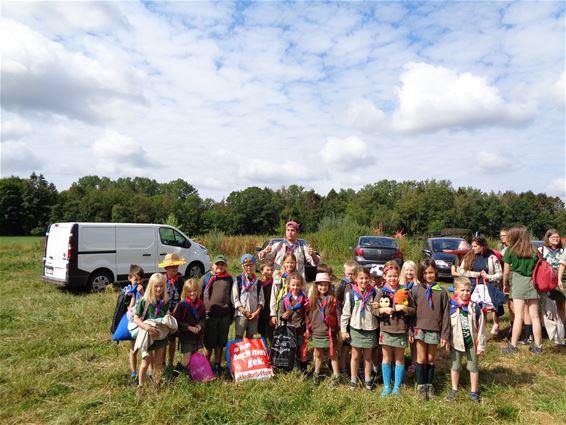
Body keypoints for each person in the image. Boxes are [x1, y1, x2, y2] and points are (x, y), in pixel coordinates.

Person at [410, 259, 450, 400]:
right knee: (421, 358)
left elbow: (446, 314)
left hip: (434, 329)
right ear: (421, 273)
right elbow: (411, 312)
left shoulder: (442, 292)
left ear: (436, 273)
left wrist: (445, 334)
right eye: (425, 273)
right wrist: (410, 330)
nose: (428, 275)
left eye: (431, 272)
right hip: (419, 328)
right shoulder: (415, 290)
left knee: (431, 358)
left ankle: (429, 385)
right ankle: (421, 386)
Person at [376, 261, 415, 397]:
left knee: (399, 359)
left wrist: (404, 308)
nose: (392, 278)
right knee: (386, 358)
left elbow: (413, 310)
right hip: (386, 330)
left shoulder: (404, 291)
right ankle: (387, 386)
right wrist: (381, 310)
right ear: (385, 277)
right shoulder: (381, 292)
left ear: (399, 276)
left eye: (395, 276)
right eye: (390, 276)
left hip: (400, 330)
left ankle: (397, 387)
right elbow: (373, 309)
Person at [502, 225, 543, 354]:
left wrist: (505, 284)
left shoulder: (510, 250)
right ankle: (538, 347)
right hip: (533, 283)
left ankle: (513, 346)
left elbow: (506, 272)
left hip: (518, 282)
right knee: (535, 316)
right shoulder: (534, 250)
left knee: (518, 316)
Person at [446, 277, 487, 403]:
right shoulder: (450, 306)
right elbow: (446, 326)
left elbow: (481, 327)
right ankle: (454, 389)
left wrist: (481, 345)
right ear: (456, 291)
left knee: (473, 367)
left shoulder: (475, 307)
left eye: (468, 290)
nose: (465, 293)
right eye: (462, 290)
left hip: (471, 343)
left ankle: (474, 391)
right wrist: (446, 341)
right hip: (456, 342)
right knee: (455, 366)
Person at [340, 267, 379, 391]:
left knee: (367, 357)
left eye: (366, 278)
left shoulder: (374, 293)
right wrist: (343, 330)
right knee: (355, 356)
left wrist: (378, 307)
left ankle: (367, 380)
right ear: (356, 279)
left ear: (370, 279)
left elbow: (378, 311)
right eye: (361, 278)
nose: (364, 281)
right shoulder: (350, 294)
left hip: (370, 328)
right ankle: (353, 379)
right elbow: (345, 314)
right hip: (355, 329)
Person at [457, 236, 503, 335]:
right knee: (472, 311)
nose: (473, 248)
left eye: (475, 246)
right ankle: (473, 331)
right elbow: (460, 271)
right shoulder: (469, 256)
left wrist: (488, 276)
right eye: (472, 246)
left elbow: (499, 274)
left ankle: (481, 333)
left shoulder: (492, 258)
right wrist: (473, 274)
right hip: (472, 288)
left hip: (488, 288)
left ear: (482, 246)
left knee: (483, 312)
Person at [200, 255, 234, 375]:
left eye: (222, 264)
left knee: (221, 341)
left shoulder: (229, 279)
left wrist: (231, 315)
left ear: (226, 266)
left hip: (224, 315)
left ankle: (217, 364)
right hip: (210, 316)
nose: (219, 267)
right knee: (209, 342)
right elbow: (199, 296)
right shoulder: (206, 278)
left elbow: (232, 297)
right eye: (217, 264)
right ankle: (205, 364)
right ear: (212, 266)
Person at [134, 273, 170, 387]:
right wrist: (147, 328)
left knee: (158, 363)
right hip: (148, 336)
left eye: (161, 286)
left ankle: (156, 385)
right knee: (145, 362)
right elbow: (136, 318)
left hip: (160, 335)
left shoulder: (165, 301)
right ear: (151, 286)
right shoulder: (145, 301)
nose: (159, 289)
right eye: (156, 286)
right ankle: (141, 386)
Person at [309, 272, 341, 387]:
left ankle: (336, 375)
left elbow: (338, 315)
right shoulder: (313, 299)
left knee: (333, 354)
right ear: (316, 286)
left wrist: (340, 329)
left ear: (329, 286)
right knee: (318, 354)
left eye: (325, 285)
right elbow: (309, 315)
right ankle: (316, 373)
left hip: (329, 332)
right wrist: (309, 328)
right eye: (320, 285)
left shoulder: (332, 299)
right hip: (317, 331)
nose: (323, 287)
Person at [159, 253, 187, 373]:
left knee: (172, 339)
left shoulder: (181, 280)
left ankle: (170, 361)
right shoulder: (161, 280)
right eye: (171, 266)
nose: (174, 268)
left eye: (176, 266)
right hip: (163, 314)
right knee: (164, 339)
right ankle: (162, 362)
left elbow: (183, 297)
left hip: (176, 314)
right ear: (166, 268)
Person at [172, 278, 205, 378]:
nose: (192, 293)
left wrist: (200, 325)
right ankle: (173, 377)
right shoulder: (182, 305)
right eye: (189, 291)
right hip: (186, 337)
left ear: (198, 291)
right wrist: (188, 327)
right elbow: (175, 322)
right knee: (186, 360)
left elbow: (203, 318)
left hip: (197, 336)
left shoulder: (200, 303)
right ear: (185, 292)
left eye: (194, 291)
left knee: (193, 357)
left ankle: (192, 376)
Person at [278, 272, 310, 372]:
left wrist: (308, 329)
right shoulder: (285, 299)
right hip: (289, 329)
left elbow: (308, 315)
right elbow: (280, 313)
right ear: (289, 285)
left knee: (302, 349)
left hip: (301, 328)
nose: (295, 287)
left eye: (298, 285)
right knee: (292, 348)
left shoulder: (304, 299)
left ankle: (303, 369)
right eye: (293, 285)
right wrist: (283, 316)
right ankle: (293, 368)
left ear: (301, 285)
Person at [232, 254, 264, 340]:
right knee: (238, 336)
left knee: (250, 336)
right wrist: (243, 311)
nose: (249, 267)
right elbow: (235, 298)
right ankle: (238, 353)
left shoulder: (259, 282)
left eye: (251, 265)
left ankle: (248, 353)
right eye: (246, 265)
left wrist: (256, 313)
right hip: (241, 314)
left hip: (254, 314)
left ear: (254, 265)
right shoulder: (238, 280)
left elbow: (261, 300)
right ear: (242, 266)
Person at [124, 265, 145, 385]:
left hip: (142, 322)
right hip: (132, 323)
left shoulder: (144, 290)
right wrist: (132, 297)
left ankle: (148, 372)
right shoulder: (127, 291)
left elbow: (148, 302)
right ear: (129, 278)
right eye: (135, 279)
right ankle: (133, 373)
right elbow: (129, 308)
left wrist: (142, 293)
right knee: (133, 349)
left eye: (140, 279)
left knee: (145, 348)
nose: (138, 282)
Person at [539, 229, 565, 323]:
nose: (556, 239)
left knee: (561, 304)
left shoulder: (563, 251)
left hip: (561, 281)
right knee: (545, 305)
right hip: (546, 281)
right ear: (548, 238)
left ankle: (561, 326)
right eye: (553, 237)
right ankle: (546, 326)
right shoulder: (541, 250)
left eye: (557, 237)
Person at [337, 259, 357, 375]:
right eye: (348, 273)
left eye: (352, 274)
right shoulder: (342, 284)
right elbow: (338, 304)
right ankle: (343, 367)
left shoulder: (358, 283)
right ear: (344, 272)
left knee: (355, 346)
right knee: (345, 346)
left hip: (357, 319)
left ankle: (355, 366)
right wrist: (341, 323)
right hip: (346, 319)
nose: (350, 276)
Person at [399, 260, 417, 374]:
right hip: (402, 317)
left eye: (412, 270)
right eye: (407, 270)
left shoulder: (417, 285)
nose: (409, 272)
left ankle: (414, 362)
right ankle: (400, 361)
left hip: (414, 316)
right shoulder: (400, 285)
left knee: (413, 340)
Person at [270, 253, 298, 327]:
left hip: (295, 307)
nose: (290, 264)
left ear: (296, 263)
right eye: (287, 262)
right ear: (283, 263)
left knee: (293, 331)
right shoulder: (278, 275)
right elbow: (274, 294)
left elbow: (304, 292)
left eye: (292, 262)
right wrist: (273, 314)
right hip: (281, 307)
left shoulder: (299, 276)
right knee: (280, 330)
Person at [258, 261, 275, 346]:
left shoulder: (274, 283)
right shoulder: (258, 283)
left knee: (270, 334)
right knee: (262, 333)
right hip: (260, 312)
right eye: (267, 270)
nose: (270, 272)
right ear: (262, 271)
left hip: (270, 312)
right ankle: (264, 351)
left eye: (271, 270)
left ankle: (272, 352)